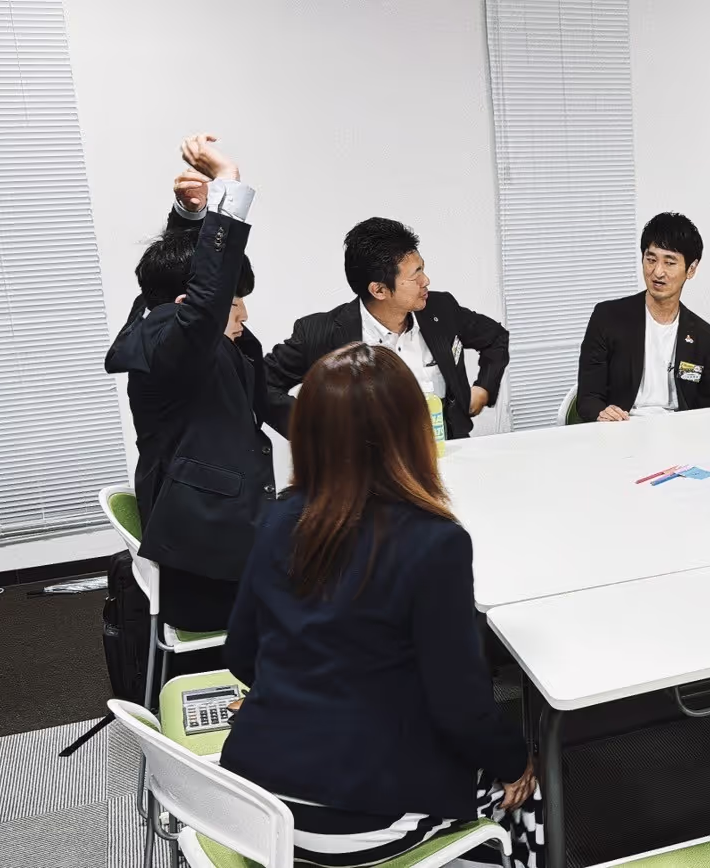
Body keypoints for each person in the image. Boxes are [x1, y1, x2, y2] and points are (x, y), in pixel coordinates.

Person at [222, 342, 541, 867]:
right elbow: (461, 708)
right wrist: (515, 762)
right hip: (355, 822)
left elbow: (241, 655)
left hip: (254, 804)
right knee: (531, 793)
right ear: (410, 431)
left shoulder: (280, 518)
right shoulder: (435, 542)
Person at [106, 135, 288, 633]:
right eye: (232, 304)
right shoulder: (176, 343)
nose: (242, 315)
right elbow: (202, 292)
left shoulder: (159, 322)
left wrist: (189, 217)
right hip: (210, 567)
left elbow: (173, 275)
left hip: (215, 538)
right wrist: (228, 187)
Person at [264, 217, 508, 442]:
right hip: (371, 466)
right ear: (379, 290)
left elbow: (496, 338)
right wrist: (317, 430)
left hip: (447, 452)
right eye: (415, 275)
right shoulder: (321, 333)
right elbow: (261, 384)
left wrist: (483, 389)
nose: (426, 281)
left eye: (422, 268)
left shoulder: (441, 309)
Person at [576, 212, 710, 421]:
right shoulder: (607, 318)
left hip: (679, 430)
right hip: (622, 426)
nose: (657, 272)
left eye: (670, 263)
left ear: (691, 269)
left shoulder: (704, 336)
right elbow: (588, 397)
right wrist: (602, 414)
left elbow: (707, 410)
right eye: (651, 259)